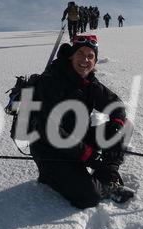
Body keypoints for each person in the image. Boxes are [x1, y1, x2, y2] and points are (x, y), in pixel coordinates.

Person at [30, 35, 135, 209]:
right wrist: (88, 155)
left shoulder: (89, 81)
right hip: (48, 149)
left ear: (95, 61)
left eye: (90, 56)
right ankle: (50, 177)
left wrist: (116, 124)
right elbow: (48, 129)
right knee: (89, 197)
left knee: (125, 126)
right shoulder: (51, 80)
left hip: (78, 137)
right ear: (71, 55)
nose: (85, 60)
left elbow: (115, 104)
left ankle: (109, 174)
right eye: (80, 53)